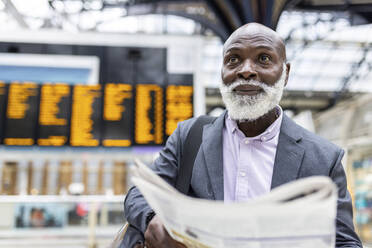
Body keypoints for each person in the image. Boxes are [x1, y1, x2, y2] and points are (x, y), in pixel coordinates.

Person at [124, 23, 362, 248]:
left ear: (286, 73)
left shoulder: (323, 158)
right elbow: (138, 194)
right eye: (233, 59)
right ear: (222, 71)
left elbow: (345, 242)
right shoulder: (190, 136)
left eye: (264, 59)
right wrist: (152, 219)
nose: (246, 71)